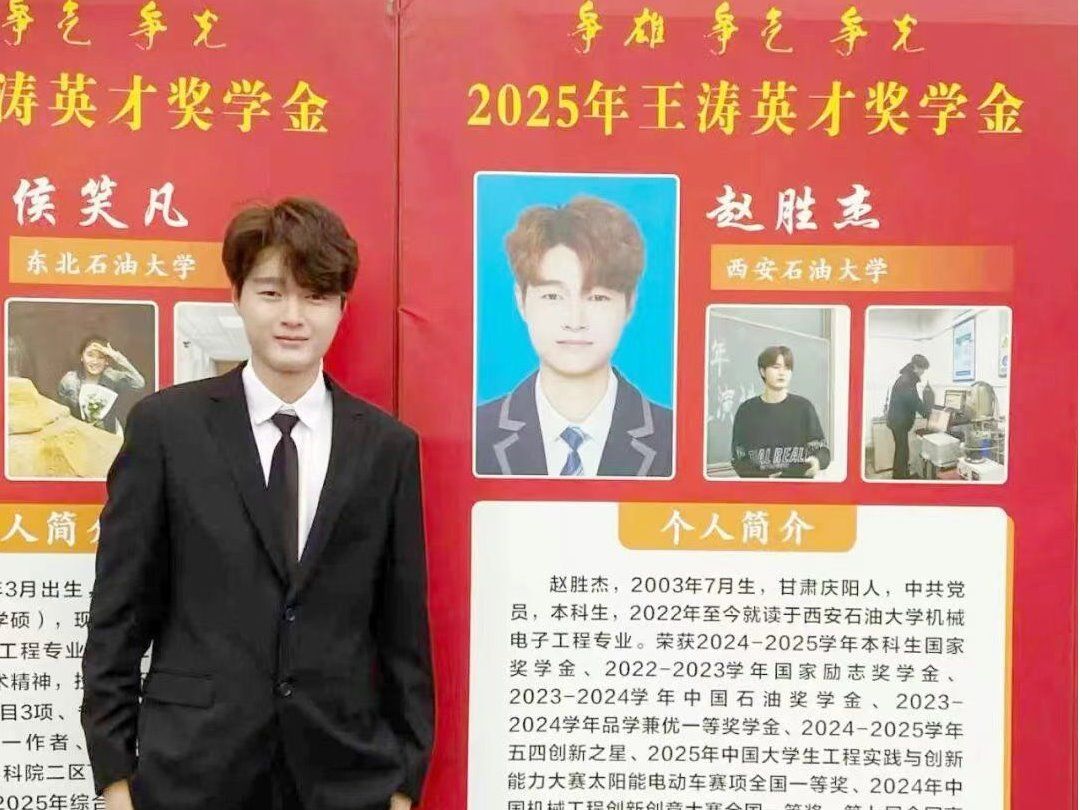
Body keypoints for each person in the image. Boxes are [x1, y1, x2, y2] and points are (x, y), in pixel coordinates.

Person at [80, 199, 434, 810]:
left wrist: (404, 785)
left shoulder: (386, 448)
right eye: (272, 293)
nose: (293, 316)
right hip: (190, 775)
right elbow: (118, 614)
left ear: (342, 307)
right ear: (238, 297)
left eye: (315, 296)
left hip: (344, 779)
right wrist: (115, 777)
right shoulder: (168, 429)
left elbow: (404, 633)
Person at [475, 195, 673, 478]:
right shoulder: (477, 433)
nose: (575, 321)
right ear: (521, 300)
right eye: (553, 296)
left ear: (630, 304)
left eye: (597, 297)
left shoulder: (673, 438)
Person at [730, 346, 830, 478]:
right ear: (762, 371)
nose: (782, 373)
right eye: (776, 367)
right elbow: (739, 458)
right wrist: (765, 479)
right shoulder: (746, 411)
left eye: (787, 368)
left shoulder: (804, 408)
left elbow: (822, 450)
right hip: (759, 487)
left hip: (797, 486)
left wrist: (817, 462)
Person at [58, 336, 146, 434]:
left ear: (107, 361)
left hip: (109, 434)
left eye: (101, 357)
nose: (95, 361)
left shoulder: (112, 377)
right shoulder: (70, 381)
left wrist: (116, 357)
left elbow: (139, 383)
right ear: (82, 357)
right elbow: (62, 412)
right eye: (90, 355)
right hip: (79, 434)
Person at [886, 353, 934, 480]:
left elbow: (913, 400)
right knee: (902, 451)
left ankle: (901, 475)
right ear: (916, 367)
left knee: (902, 450)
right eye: (923, 369)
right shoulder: (906, 381)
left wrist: (926, 412)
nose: (923, 372)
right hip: (899, 422)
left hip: (897, 421)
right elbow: (914, 401)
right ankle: (900, 478)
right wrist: (928, 414)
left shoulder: (906, 378)